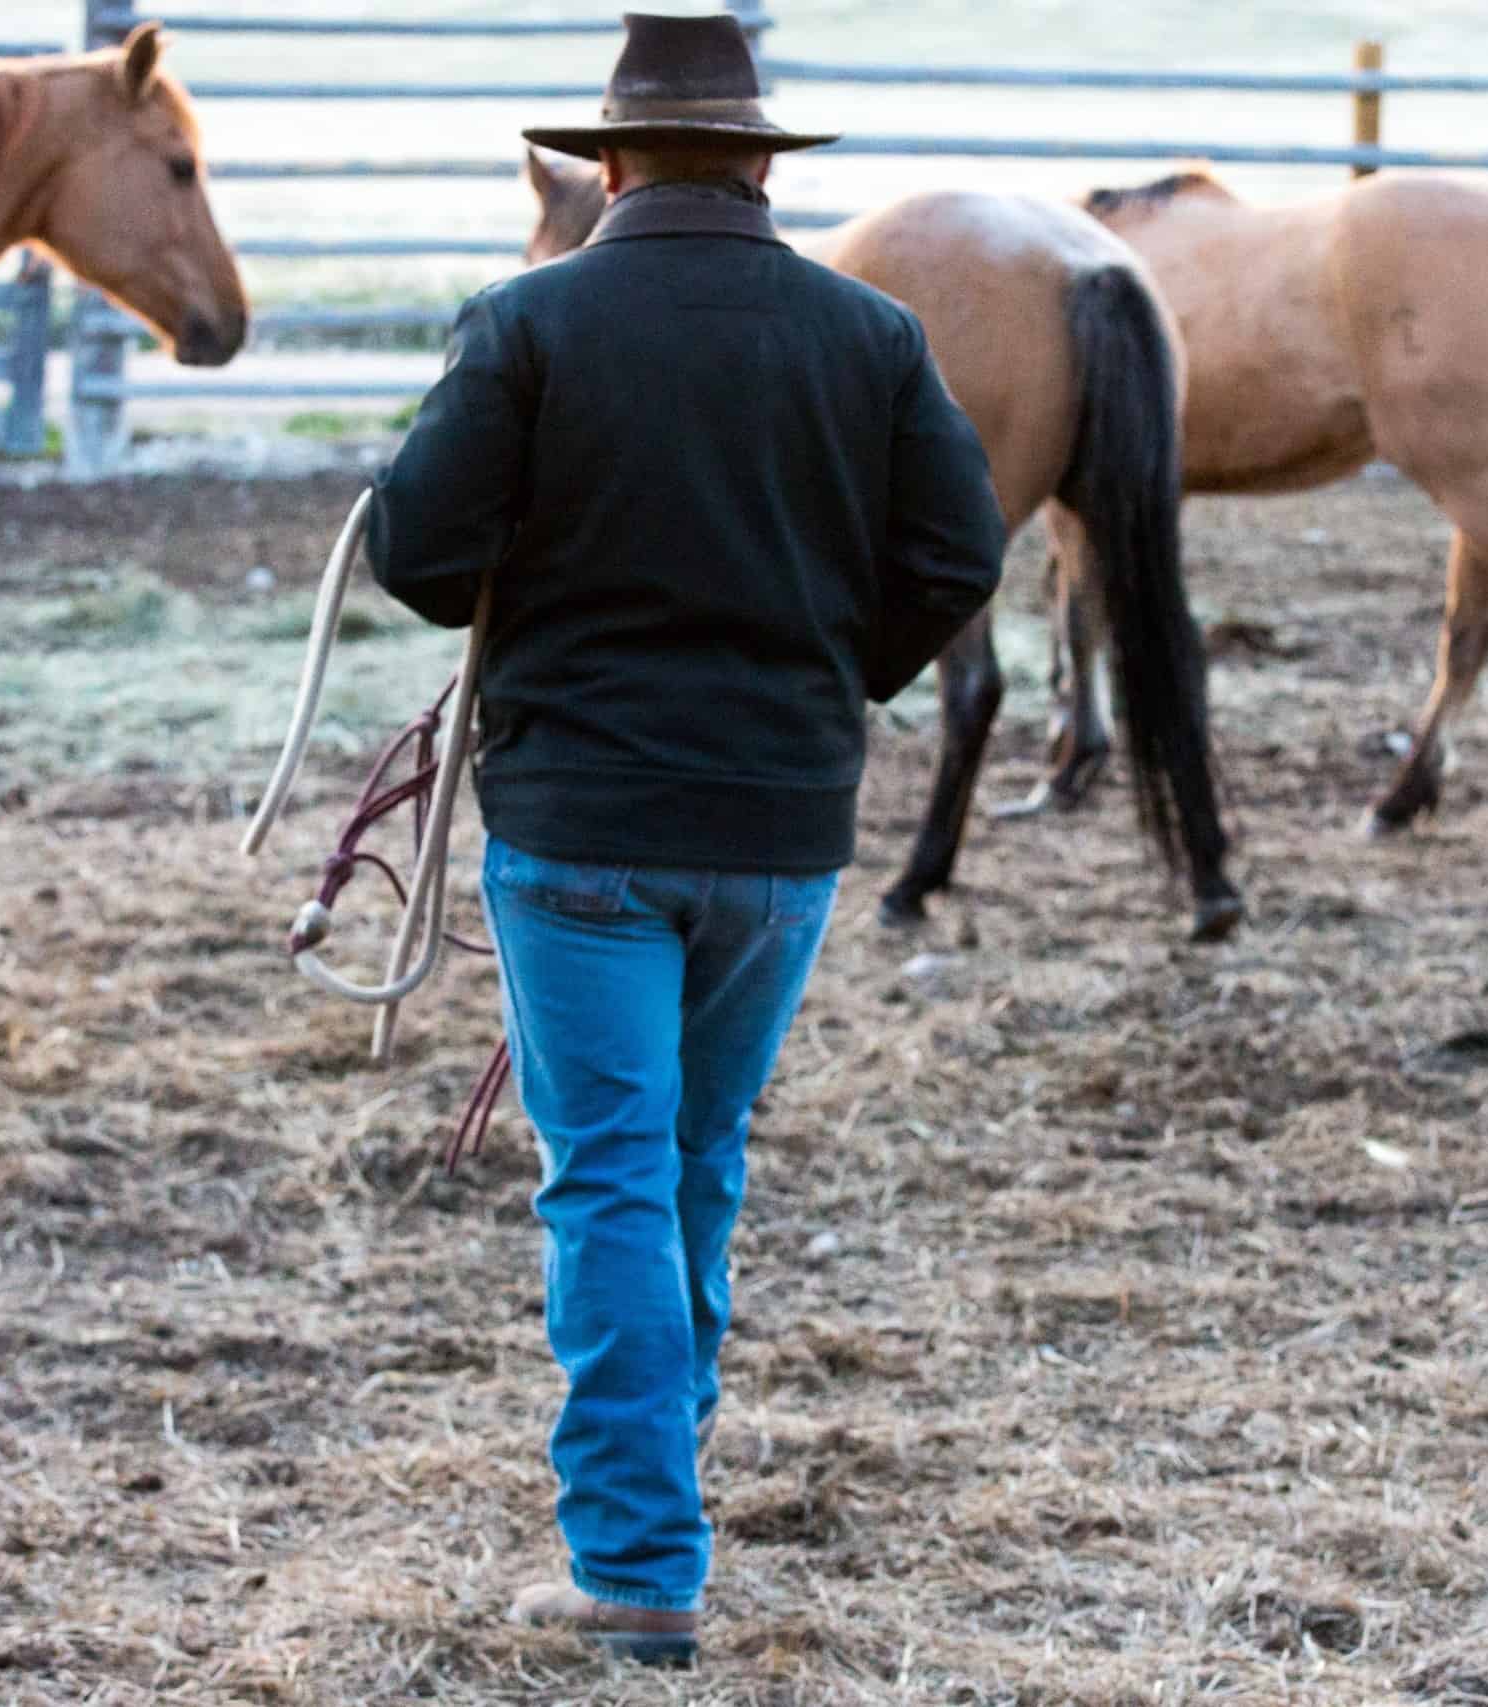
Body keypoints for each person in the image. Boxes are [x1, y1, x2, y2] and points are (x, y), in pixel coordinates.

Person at [363, 11, 1007, 1670]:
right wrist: (828, 679)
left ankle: (639, 1562)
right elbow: (960, 551)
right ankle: (660, 1495)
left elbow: (423, 560)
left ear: (615, 163)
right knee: (689, 1170)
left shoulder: (527, 324)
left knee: (611, 1182)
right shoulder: (869, 337)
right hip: (779, 830)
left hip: (580, 826)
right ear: (760, 164)